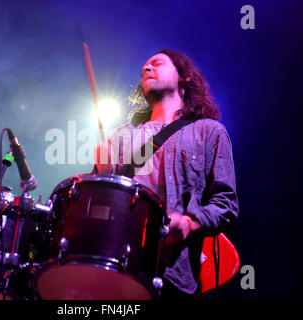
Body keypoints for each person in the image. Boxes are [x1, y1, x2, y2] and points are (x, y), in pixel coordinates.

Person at [93, 49, 239, 299]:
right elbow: (96, 209)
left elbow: (226, 203)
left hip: (173, 277)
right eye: (143, 69)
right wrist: (102, 174)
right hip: (116, 268)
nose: (146, 69)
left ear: (184, 77)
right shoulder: (122, 135)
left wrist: (190, 223)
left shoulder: (210, 132)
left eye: (156, 63)